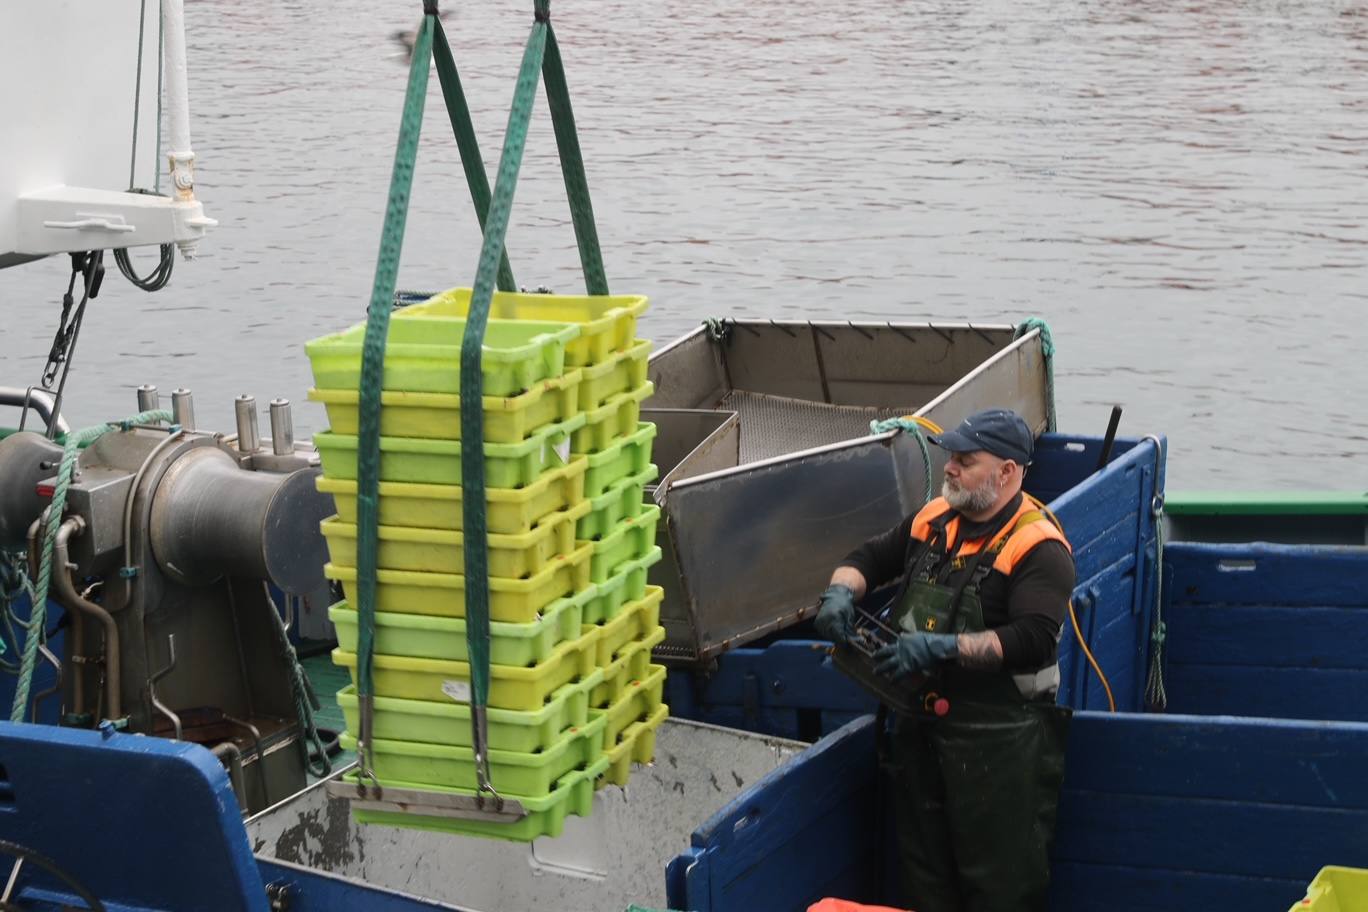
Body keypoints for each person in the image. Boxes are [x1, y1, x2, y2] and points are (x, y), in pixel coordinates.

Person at [815, 408, 1076, 912]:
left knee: (999, 887)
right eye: (951, 458)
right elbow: (867, 559)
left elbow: (1034, 639)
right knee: (925, 878)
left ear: (1007, 472)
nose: (950, 468)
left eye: (965, 460)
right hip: (921, 729)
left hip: (1000, 742)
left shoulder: (1038, 548)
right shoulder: (932, 520)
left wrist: (944, 647)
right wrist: (839, 594)